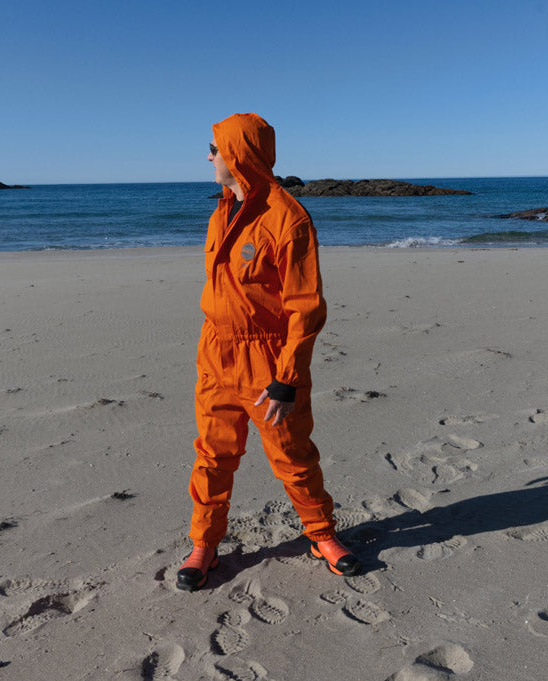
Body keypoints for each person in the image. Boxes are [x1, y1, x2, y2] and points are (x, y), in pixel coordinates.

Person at [176, 113, 360, 591]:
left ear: (237, 155)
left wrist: (286, 379)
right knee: (212, 456)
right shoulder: (221, 212)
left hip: (268, 361)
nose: (208, 157)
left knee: (293, 456)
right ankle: (204, 543)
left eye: (214, 149)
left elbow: (305, 306)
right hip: (216, 355)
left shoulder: (287, 218)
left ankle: (321, 534)